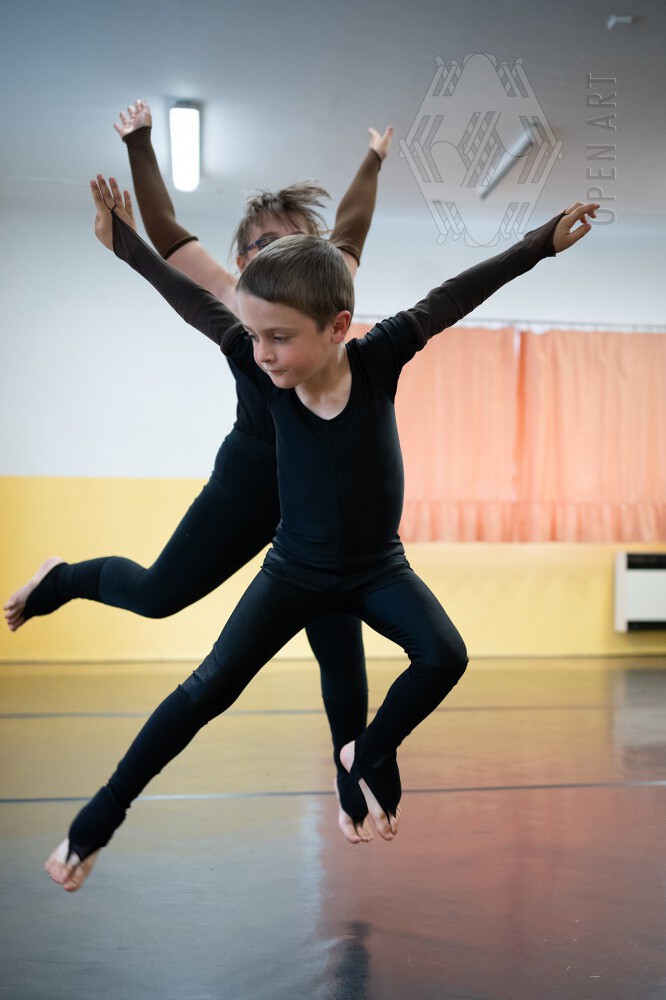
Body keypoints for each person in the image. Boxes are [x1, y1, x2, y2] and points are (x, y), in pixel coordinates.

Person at [44, 175, 599, 892]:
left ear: (338, 328)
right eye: (255, 336)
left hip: (378, 569)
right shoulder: (256, 366)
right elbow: (187, 297)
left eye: (279, 338)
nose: (262, 354)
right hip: (293, 571)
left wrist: (541, 243)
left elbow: (457, 294)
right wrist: (122, 240)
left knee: (444, 655)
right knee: (207, 689)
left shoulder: (379, 355)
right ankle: (96, 822)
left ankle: (367, 754)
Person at [5, 102, 394, 845]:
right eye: (260, 248)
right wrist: (140, 143)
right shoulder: (231, 298)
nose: (274, 256)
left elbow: (353, 222)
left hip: (319, 492)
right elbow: (166, 235)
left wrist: (373, 159)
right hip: (250, 480)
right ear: (243, 264)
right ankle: (62, 579)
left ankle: (353, 779)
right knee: (158, 596)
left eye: (290, 242)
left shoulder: (330, 281)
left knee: (338, 635)